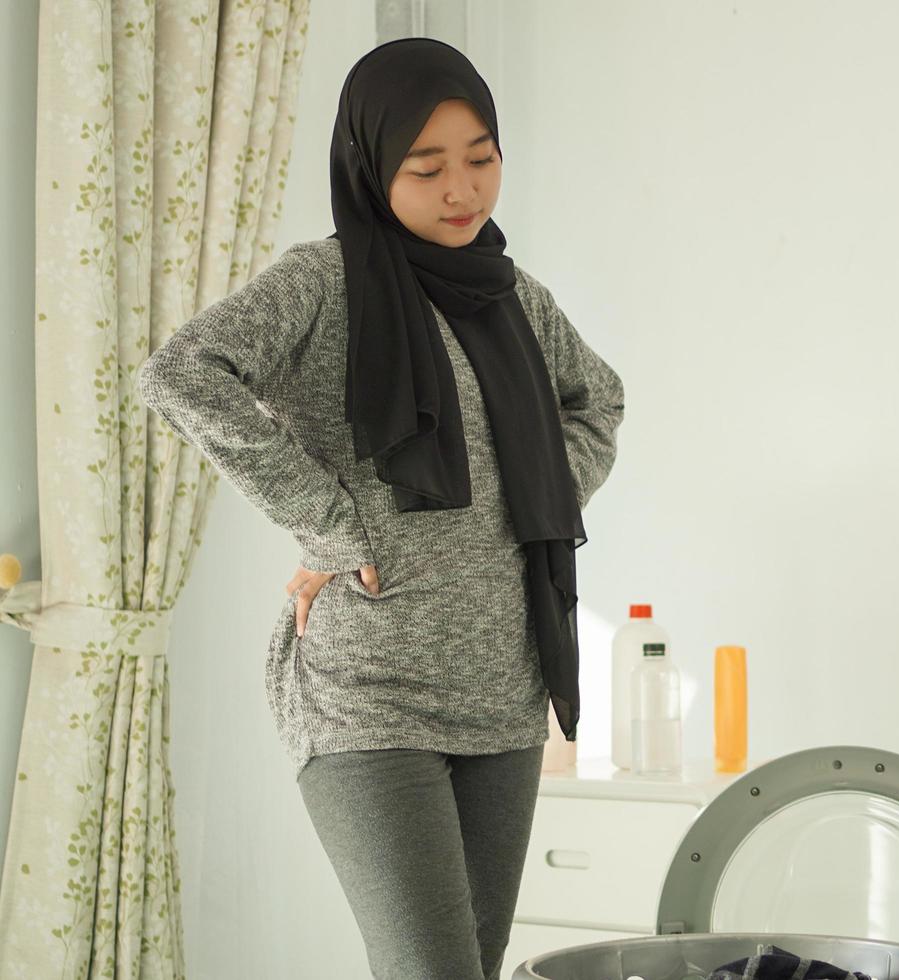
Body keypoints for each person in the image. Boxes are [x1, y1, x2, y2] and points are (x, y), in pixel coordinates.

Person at [134, 36, 624, 979]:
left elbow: (596, 399)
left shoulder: (509, 293)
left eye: (481, 158)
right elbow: (181, 373)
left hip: (504, 689)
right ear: (369, 166)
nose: (462, 190)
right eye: (426, 165)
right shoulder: (323, 284)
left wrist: (534, 487)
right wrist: (323, 517)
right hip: (366, 692)